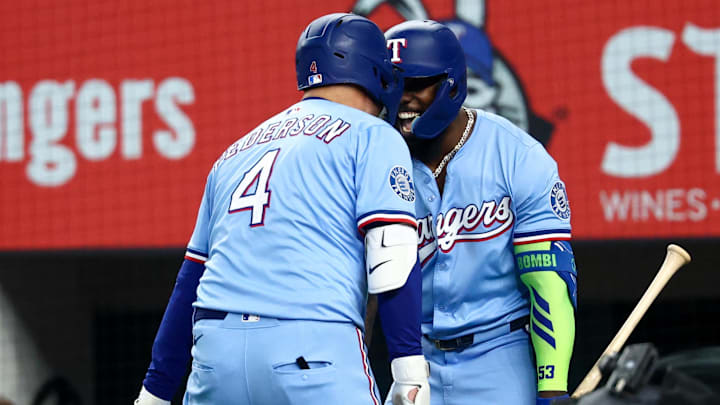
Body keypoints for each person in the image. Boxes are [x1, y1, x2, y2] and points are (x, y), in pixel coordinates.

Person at [134, 13, 431, 405]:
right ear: (376, 74)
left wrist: (153, 392)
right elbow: (391, 261)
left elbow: (189, 281)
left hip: (215, 356)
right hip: (310, 348)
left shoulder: (234, 152)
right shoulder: (374, 135)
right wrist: (409, 371)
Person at [383, 20, 578, 405]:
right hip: (413, 361)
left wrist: (552, 389)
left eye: (416, 84)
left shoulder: (517, 156)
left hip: (499, 355)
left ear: (451, 83)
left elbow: (549, 284)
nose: (402, 98)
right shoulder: (375, 156)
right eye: (391, 85)